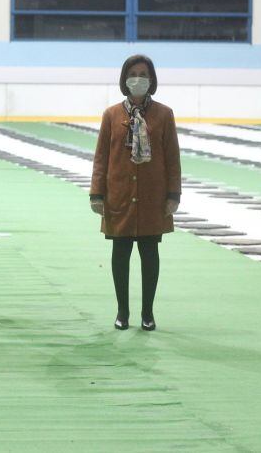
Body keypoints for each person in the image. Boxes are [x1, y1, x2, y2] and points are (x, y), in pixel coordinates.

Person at [90, 54, 181, 332]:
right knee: (120, 253)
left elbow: (172, 158)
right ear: (124, 79)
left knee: (149, 252)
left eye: (143, 74)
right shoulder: (111, 115)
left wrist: (173, 195)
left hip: (153, 197)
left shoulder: (164, 115)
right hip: (119, 195)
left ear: (151, 80)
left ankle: (148, 313)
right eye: (133, 73)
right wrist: (97, 194)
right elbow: (101, 157)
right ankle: (122, 311)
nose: (138, 79)